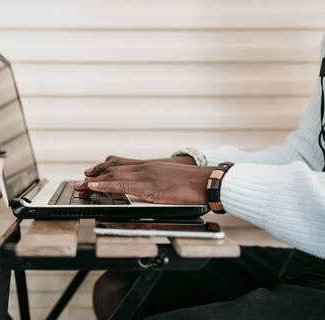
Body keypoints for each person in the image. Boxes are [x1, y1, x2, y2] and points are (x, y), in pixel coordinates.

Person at [74, 37, 325, 320]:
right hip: (315, 260)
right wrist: (190, 166)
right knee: (117, 287)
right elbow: (306, 158)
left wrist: (211, 182)